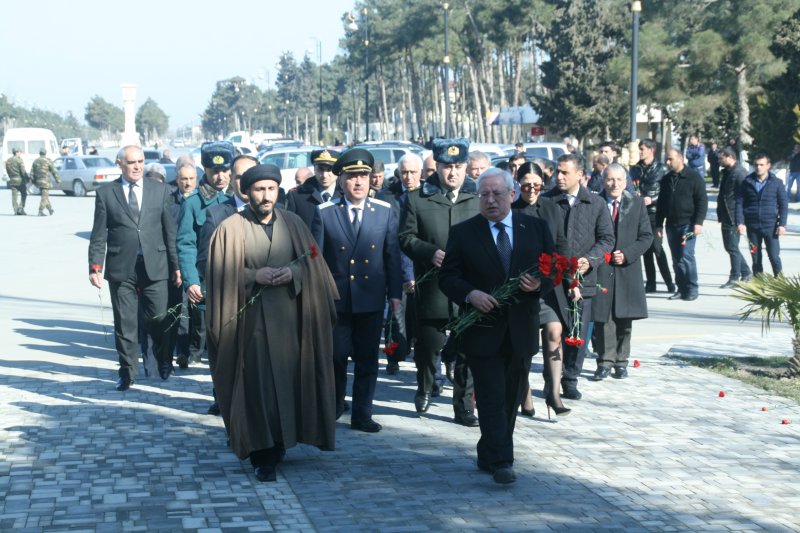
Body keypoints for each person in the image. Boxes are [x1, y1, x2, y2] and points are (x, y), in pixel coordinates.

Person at [205, 164, 339, 483]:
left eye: (271, 189)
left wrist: (295, 273)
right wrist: (253, 276)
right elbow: (219, 276)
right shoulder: (230, 228)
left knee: (288, 386)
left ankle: (280, 444)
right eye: (259, 190)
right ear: (246, 192)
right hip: (249, 329)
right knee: (257, 388)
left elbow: (315, 266)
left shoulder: (294, 224)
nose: (266, 196)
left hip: (291, 326)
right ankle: (261, 452)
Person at [439, 167, 554, 484]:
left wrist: (539, 285)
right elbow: (447, 277)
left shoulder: (535, 227)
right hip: (482, 331)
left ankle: (489, 451)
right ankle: (503, 460)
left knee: (509, 398)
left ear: (512, 195)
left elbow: (554, 268)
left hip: (521, 329)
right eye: (484, 195)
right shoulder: (464, 232)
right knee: (489, 396)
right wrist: (470, 294)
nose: (490, 200)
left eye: (497, 194)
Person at [311, 148, 402, 432]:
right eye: (352, 177)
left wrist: (395, 295)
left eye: (363, 176)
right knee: (336, 356)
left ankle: (362, 413)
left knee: (367, 359)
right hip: (336, 299)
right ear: (341, 181)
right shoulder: (325, 213)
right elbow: (316, 258)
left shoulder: (385, 212)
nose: (359, 182)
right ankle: (336, 403)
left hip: (371, 298)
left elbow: (392, 256)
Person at [399, 137, 478, 426]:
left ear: (466, 167)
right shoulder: (418, 198)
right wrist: (430, 253)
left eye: (458, 166)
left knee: (466, 349)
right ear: (437, 166)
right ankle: (424, 387)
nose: (453, 173)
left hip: (469, 290)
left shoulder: (478, 198)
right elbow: (405, 238)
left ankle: (463, 406)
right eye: (447, 166)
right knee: (429, 345)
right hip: (433, 288)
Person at [88, 146, 181, 391]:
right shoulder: (106, 193)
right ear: (120, 164)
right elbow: (99, 235)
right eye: (132, 162)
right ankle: (127, 372)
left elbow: (169, 232)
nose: (138, 166)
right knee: (125, 322)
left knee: (159, 318)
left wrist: (176, 265)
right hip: (122, 267)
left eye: (140, 161)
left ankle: (162, 360)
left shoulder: (160, 190)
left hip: (156, 266)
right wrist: (95, 266)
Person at [541, 153, 615, 400]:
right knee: (553, 330)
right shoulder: (547, 201)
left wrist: (590, 260)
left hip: (583, 279)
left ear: (580, 175)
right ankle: (550, 378)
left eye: (565, 173)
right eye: (557, 172)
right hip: (552, 278)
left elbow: (607, 239)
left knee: (577, 330)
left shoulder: (596, 204)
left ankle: (570, 377)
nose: (559, 177)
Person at [511, 162, 571, 418]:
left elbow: (561, 247)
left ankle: (554, 393)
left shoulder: (551, 208)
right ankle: (524, 395)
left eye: (537, 185)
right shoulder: (511, 211)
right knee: (524, 344)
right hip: (519, 286)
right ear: (518, 183)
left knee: (555, 331)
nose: (532, 190)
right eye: (526, 185)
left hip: (548, 285)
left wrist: (567, 280)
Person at [176, 141, 234, 375]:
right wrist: (191, 281)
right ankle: (219, 394)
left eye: (224, 171)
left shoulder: (239, 198)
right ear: (205, 171)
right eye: (214, 172)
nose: (220, 177)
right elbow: (186, 244)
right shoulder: (193, 203)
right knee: (215, 339)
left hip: (239, 280)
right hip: (208, 282)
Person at [591, 164, 652, 380]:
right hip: (602, 267)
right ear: (602, 181)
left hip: (627, 267)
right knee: (603, 316)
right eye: (609, 179)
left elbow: (646, 236)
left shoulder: (635, 203)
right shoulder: (595, 202)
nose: (614, 184)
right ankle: (604, 362)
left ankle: (621, 361)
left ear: (626, 182)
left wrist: (627, 254)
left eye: (619, 179)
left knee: (625, 316)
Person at [378, 154, 422, 375]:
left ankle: (423, 363)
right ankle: (392, 357)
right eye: (404, 172)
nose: (408, 177)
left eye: (413, 172)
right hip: (394, 265)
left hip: (421, 266)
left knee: (419, 319)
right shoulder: (386, 196)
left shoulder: (428, 195)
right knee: (394, 318)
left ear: (420, 173)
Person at [656, 149, 708, 301]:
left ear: (680, 158)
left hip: (689, 224)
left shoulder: (693, 177)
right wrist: (659, 224)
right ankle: (681, 288)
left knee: (686, 256)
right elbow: (661, 203)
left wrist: (698, 223)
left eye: (670, 159)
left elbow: (702, 201)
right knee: (676, 258)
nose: (668, 162)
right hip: (671, 225)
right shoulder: (666, 179)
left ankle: (692, 288)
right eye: (666, 159)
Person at [631, 139, 675, 294]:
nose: (640, 151)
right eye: (639, 148)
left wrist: (653, 199)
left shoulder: (661, 169)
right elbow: (631, 186)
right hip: (639, 212)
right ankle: (650, 283)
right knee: (645, 249)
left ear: (651, 150)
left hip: (655, 213)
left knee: (656, 247)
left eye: (642, 148)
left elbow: (668, 192)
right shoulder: (635, 169)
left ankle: (669, 282)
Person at [735, 154, 789, 276]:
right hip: (752, 227)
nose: (758, 167)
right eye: (756, 165)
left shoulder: (777, 183)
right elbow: (739, 203)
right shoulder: (747, 182)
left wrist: (782, 224)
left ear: (768, 166)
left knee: (774, 257)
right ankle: (760, 291)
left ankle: (780, 287)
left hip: (771, 227)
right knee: (756, 258)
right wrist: (740, 222)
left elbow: (783, 205)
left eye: (761, 165)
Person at [717, 147, 752, 288]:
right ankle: (746, 272)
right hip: (726, 215)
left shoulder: (739, 173)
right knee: (730, 247)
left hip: (734, 216)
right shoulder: (727, 172)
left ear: (730, 157)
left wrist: (741, 219)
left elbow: (744, 197)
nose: (719, 161)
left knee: (732, 247)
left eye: (721, 158)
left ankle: (735, 277)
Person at [285, 149, 341, 228]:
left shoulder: (346, 194)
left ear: (337, 171)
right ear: (314, 169)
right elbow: (290, 228)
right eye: (320, 169)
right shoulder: (297, 196)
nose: (324, 175)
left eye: (329, 169)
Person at [30, 149, 61, 216]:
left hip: (38, 181)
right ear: (45, 153)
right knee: (44, 196)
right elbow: (54, 171)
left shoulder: (35, 161)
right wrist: (58, 179)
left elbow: (32, 173)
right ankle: (40, 211)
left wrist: (33, 181)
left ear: (39, 153)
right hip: (45, 182)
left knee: (45, 195)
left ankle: (50, 209)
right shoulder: (48, 161)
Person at [6, 148, 29, 215]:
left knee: (14, 196)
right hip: (20, 181)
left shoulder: (8, 160)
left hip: (12, 180)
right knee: (24, 194)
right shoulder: (19, 160)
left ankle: (16, 210)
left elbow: (7, 170)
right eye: (19, 152)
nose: (20, 153)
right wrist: (27, 178)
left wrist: (11, 177)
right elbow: (23, 171)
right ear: (16, 152)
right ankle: (21, 208)